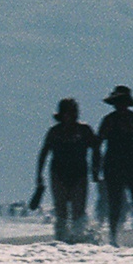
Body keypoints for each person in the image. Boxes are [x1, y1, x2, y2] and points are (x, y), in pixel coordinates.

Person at [35, 98, 98, 241]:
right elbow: (44, 153)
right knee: (61, 211)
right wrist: (39, 175)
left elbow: (96, 148)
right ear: (62, 114)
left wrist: (95, 169)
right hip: (58, 173)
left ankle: (79, 239)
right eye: (69, 112)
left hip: (79, 173)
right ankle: (61, 240)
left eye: (75, 111)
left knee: (78, 211)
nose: (73, 115)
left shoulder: (84, 130)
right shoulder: (54, 132)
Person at [96, 86, 133, 247]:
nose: (120, 105)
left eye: (122, 102)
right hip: (114, 165)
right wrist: (95, 166)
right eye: (117, 102)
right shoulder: (109, 120)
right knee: (115, 203)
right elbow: (98, 144)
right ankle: (113, 238)